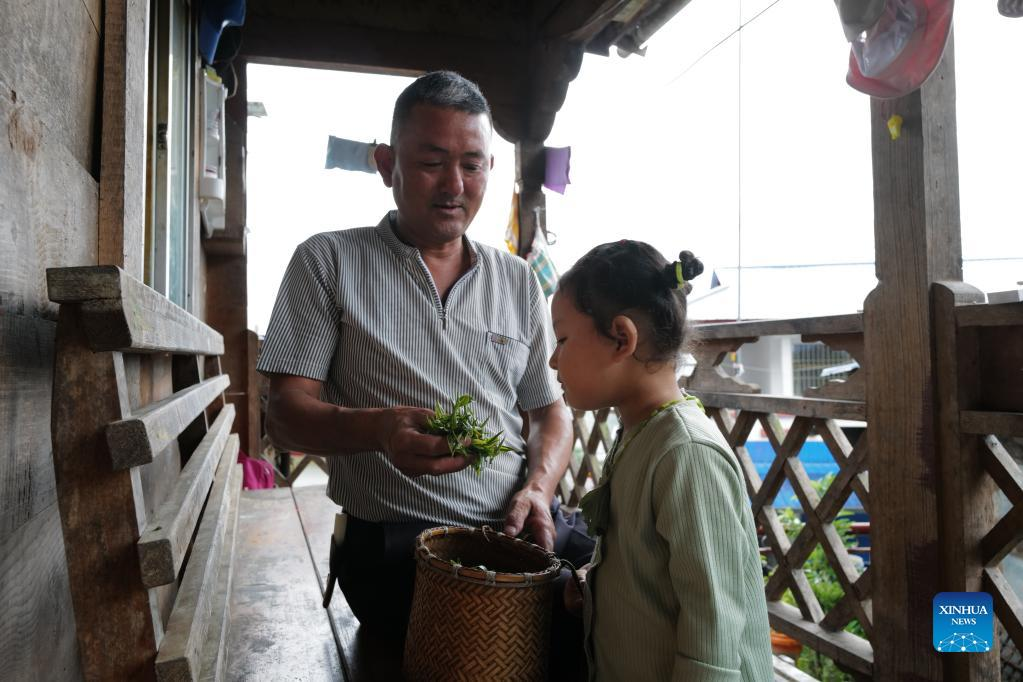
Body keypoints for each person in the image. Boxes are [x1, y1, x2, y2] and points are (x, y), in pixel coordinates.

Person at [256, 71, 589, 649]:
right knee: (561, 634)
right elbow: (282, 416)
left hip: (518, 530)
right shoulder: (327, 262)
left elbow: (549, 411)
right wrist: (379, 430)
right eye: (432, 162)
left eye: (473, 165)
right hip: (396, 546)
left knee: (634, 594)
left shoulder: (516, 280)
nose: (454, 185)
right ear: (388, 165)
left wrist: (537, 488)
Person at [551, 241, 773, 681]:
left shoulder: (686, 453)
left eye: (562, 340)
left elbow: (714, 633)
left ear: (621, 338)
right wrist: (599, 585)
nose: (554, 359)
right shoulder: (640, 433)